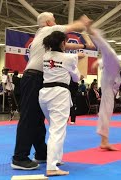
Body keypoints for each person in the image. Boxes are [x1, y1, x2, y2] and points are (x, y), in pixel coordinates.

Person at [11, 12, 93, 170]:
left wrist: (82, 46)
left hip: (39, 79)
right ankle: (19, 157)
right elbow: (72, 27)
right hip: (34, 77)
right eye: (54, 21)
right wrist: (84, 23)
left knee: (37, 118)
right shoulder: (47, 30)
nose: (56, 23)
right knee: (29, 117)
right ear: (49, 22)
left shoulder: (44, 38)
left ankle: (42, 153)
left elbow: (63, 44)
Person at [39, 31, 82, 176]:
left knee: (55, 128)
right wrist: (78, 75)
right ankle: (51, 166)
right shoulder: (69, 57)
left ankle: (55, 159)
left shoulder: (45, 56)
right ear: (63, 43)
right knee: (57, 130)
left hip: (44, 93)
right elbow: (76, 78)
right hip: (59, 94)